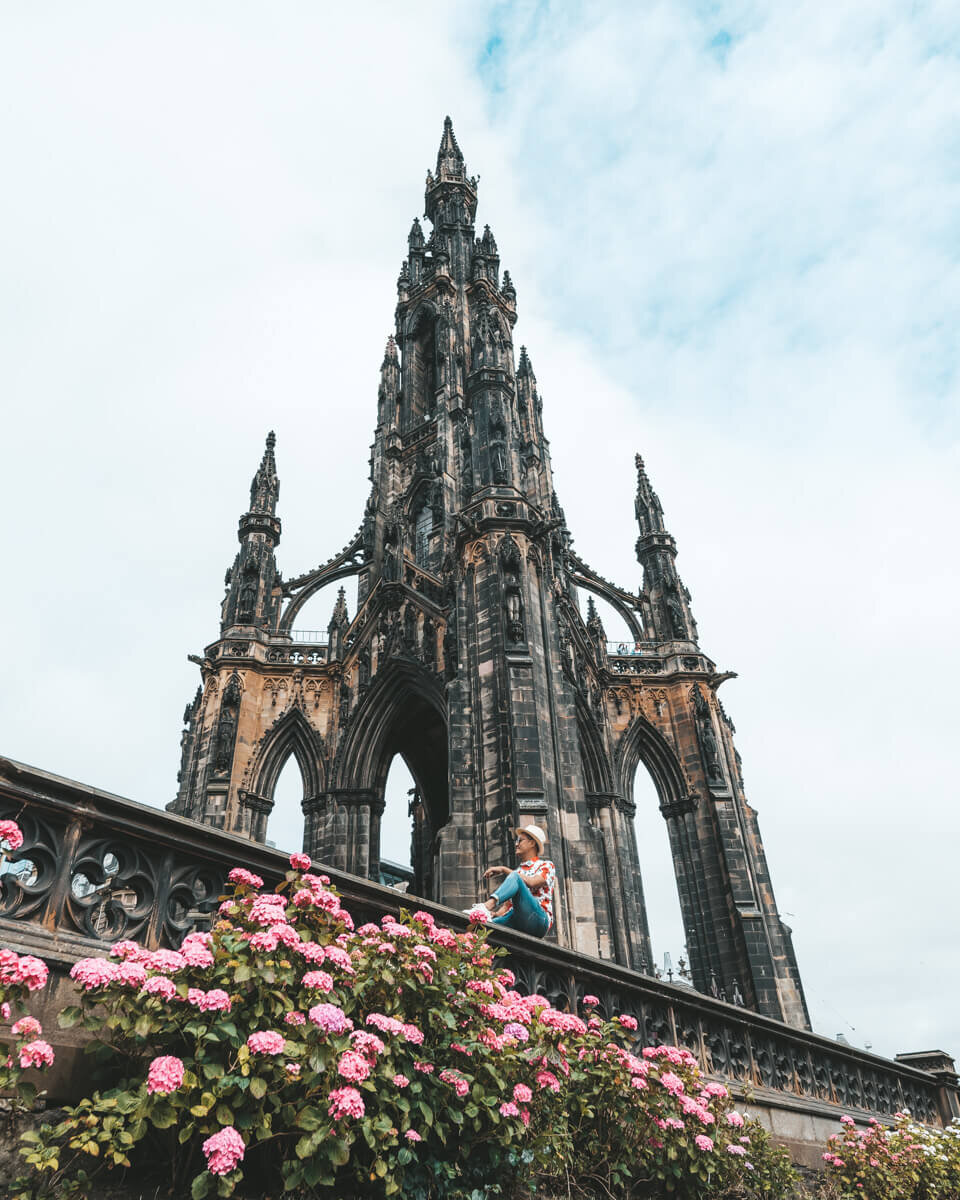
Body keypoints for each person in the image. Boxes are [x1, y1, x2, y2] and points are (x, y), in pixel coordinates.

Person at [478, 825, 556, 937]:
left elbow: (533, 882)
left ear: (532, 843)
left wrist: (503, 869)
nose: (516, 844)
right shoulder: (516, 874)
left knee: (515, 877)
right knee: (482, 929)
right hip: (516, 919)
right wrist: (495, 914)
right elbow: (507, 906)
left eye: (520, 840)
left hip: (538, 919)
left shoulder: (546, 865)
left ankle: (487, 906)